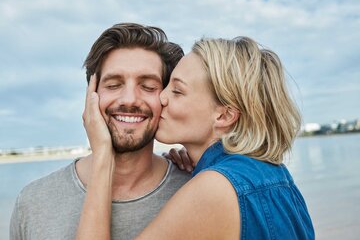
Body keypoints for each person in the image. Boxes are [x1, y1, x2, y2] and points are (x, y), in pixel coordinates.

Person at [77, 36, 315, 239]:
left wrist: (102, 157)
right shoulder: (276, 175)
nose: (161, 98)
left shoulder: (214, 189)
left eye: (177, 91)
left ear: (224, 115)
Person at [9, 23, 191, 240]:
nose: (129, 99)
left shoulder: (195, 190)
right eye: (114, 85)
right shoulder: (33, 203)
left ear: (166, 98)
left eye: (148, 87)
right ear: (91, 95)